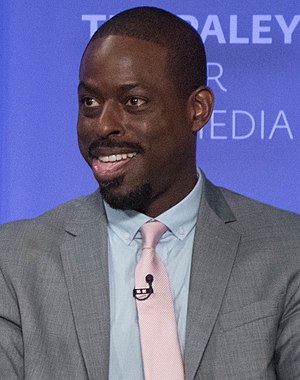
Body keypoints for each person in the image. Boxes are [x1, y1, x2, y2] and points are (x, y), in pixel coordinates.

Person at [0, 6, 300, 380]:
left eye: (133, 102)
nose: (104, 124)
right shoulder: (13, 261)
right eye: (89, 102)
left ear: (198, 109)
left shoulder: (289, 251)